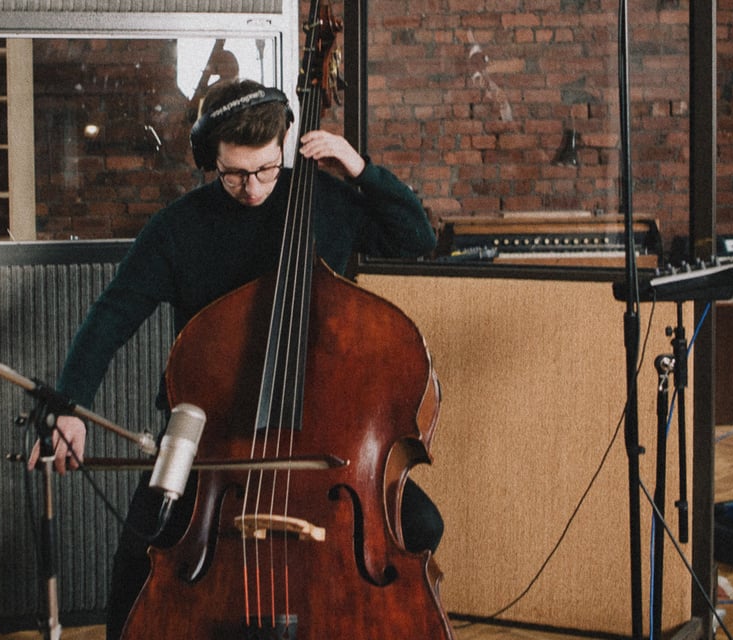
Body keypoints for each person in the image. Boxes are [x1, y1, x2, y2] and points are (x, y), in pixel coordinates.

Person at [30, 79, 443, 639]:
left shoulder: (325, 202)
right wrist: (71, 405)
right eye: (234, 173)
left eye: (267, 170)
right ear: (210, 160)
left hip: (329, 449)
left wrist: (359, 167)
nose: (252, 188)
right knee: (140, 557)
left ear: (285, 148)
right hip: (208, 440)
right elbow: (112, 317)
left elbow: (416, 236)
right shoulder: (178, 229)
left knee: (421, 524)